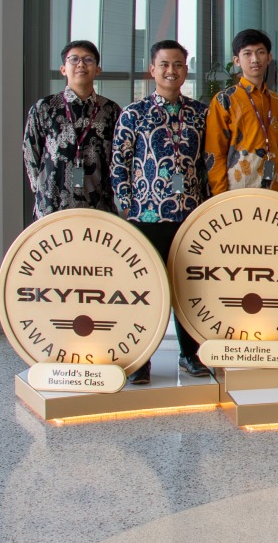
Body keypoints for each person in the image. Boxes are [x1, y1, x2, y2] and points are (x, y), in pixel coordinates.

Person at [110, 40, 211, 383]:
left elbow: (206, 165)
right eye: (165, 64)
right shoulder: (134, 113)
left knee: (188, 287)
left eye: (179, 64)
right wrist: (127, 206)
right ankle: (141, 359)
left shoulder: (200, 112)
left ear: (186, 69)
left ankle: (190, 354)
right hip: (146, 216)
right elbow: (119, 164)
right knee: (148, 289)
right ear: (152, 69)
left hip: (190, 216)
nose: (172, 71)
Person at [23, 40, 121, 219]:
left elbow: (118, 157)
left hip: (98, 205)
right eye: (74, 59)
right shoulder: (44, 108)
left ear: (97, 70)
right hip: (52, 206)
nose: (81, 64)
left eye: (88, 60)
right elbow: (31, 153)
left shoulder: (110, 110)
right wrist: (41, 190)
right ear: (63, 69)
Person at [205, 29, 278, 194]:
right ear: (237, 60)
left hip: (276, 187)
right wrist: (220, 196)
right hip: (239, 187)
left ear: (269, 57)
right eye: (247, 54)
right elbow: (214, 152)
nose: (255, 59)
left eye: (260, 52)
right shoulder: (225, 100)